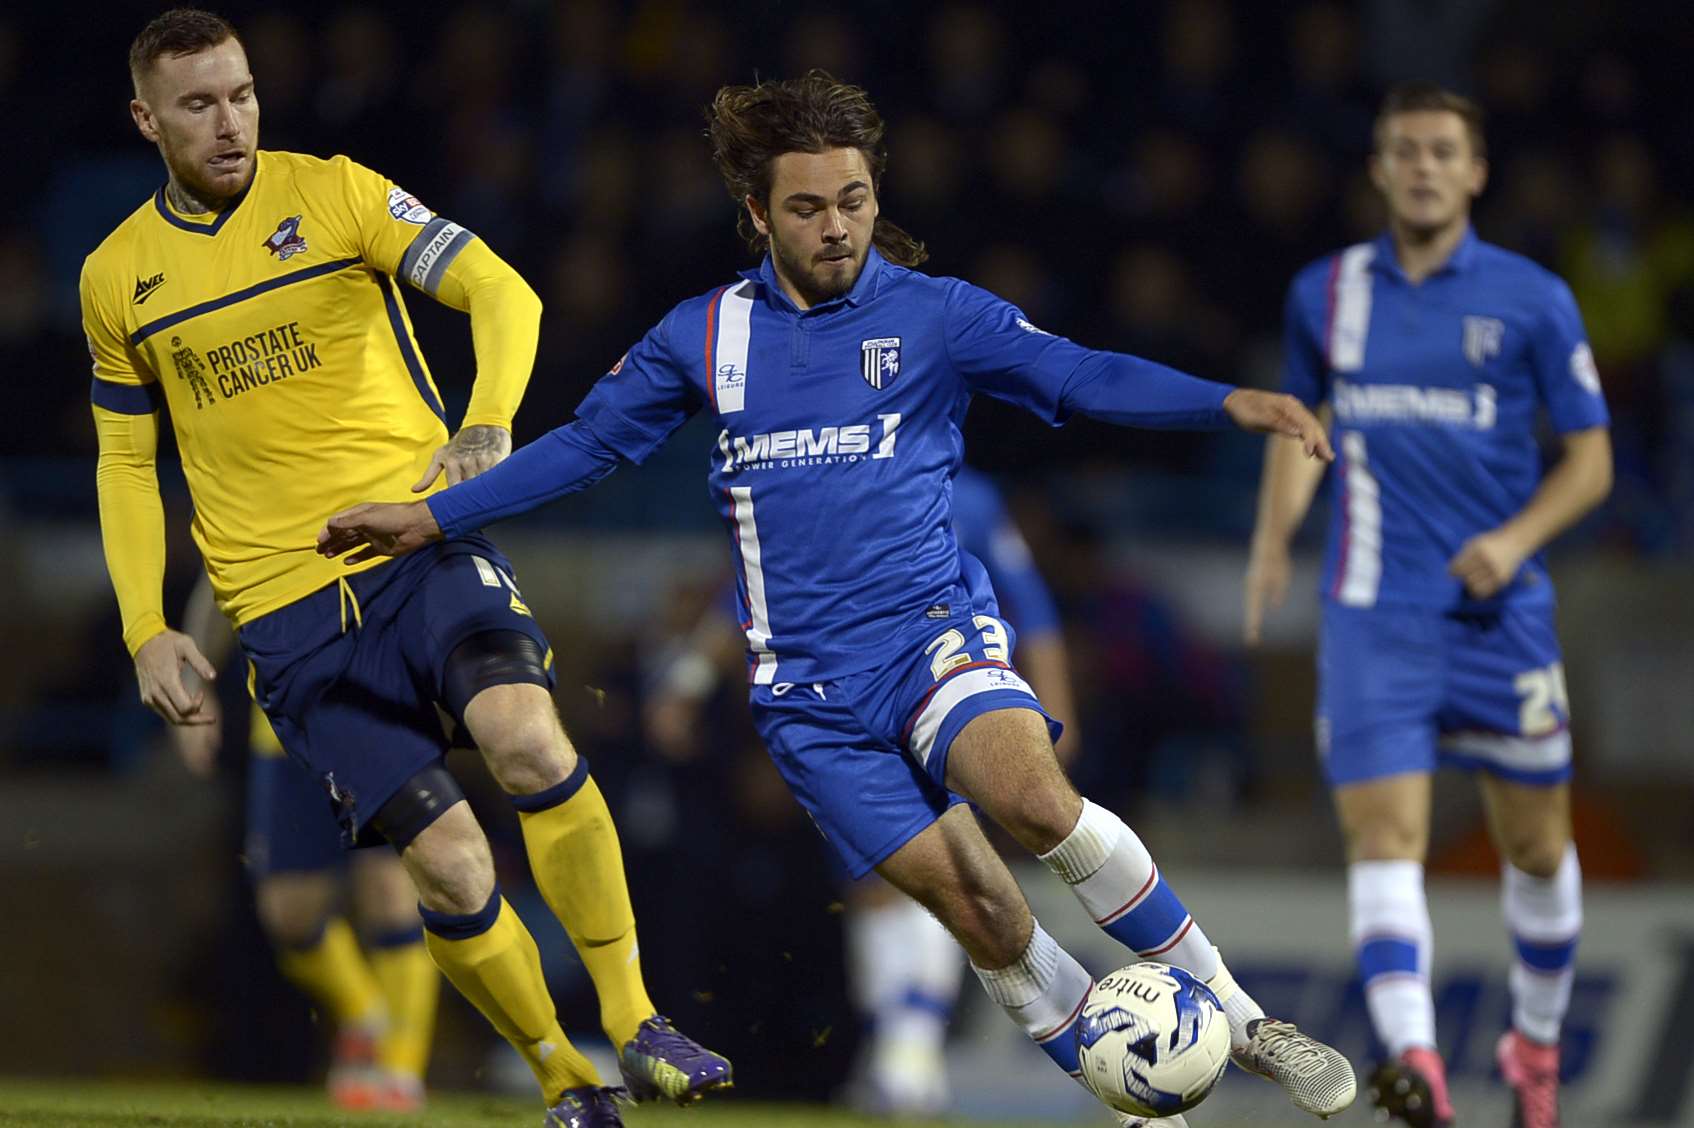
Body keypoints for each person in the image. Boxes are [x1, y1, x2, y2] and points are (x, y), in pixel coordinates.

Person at [318, 71, 1356, 1128]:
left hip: (927, 638)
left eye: (852, 200)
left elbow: (1081, 375)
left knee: (1033, 801)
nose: (836, 226)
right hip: (806, 697)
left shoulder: (936, 315)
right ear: (758, 214)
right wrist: (434, 518)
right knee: (982, 915)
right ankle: (1140, 1085)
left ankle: (1240, 1016)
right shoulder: (703, 335)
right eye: (807, 207)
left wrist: (1230, 403)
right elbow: (591, 448)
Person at [82, 11, 728, 1125]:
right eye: (198, 104)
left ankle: (633, 1020)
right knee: (447, 866)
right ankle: (565, 1083)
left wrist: (484, 425)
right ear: (146, 119)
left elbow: (502, 293)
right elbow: (127, 460)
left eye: (240, 93)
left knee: (527, 738)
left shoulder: (337, 192)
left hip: (415, 544)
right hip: (282, 615)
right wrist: (148, 624)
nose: (229, 120)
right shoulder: (116, 277)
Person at [1242, 83, 1611, 1128]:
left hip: (1500, 617)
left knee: (1537, 849)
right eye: (1402, 149)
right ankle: (1419, 1070)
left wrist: (1514, 539)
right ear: (1375, 166)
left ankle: (1530, 1052)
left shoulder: (1531, 298)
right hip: (1372, 614)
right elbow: (1305, 423)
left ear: (1474, 171)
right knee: (1383, 838)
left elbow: (1589, 463)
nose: (1420, 166)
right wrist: (1271, 542)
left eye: (1441, 151)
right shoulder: (1323, 293)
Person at [643, 464, 1079, 1117]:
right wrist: (689, 680)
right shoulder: (819, 474)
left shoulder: (971, 495)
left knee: (937, 864)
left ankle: (910, 1048)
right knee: (882, 876)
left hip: (944, 692)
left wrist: (1055, 705)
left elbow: (1032, 605)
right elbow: (753, 589)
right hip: (847, 697)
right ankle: (903, 1049)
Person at [172, 571, 438, 1113]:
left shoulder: (387, 488)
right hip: (284, 732)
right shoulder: (259, 499)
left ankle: (401, 1070)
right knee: (288, 913)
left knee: (393, 894)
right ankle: (366, 1012)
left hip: (382, 719)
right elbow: (219, 583)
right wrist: (195, 688)